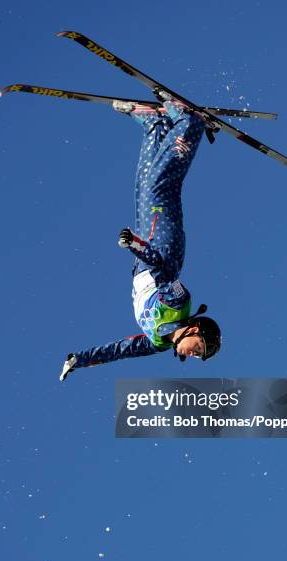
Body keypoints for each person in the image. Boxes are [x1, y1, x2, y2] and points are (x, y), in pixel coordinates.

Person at [60, 94, 221, 381]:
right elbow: (162, 271)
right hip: (162, 247)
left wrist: (80, 360)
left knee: (144, 186)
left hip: (143, 256)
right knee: (160, 186)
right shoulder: (179, 305)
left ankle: (153, 122)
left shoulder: (157, 343)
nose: (196, 355)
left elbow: (121, 349)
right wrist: (137, 246)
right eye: (201, 348)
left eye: (199, 355)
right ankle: (189, 122)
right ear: (197, 330)